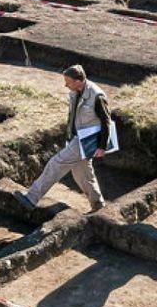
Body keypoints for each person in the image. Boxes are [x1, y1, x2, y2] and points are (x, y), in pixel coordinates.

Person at [14, 64, 108, 213]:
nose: (65, 85)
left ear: (78, 81)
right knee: (83, 174)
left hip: (86, 140)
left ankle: (31, 197)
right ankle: (98, 206)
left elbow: (106, 122)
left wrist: (102, 146)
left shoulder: (97, 95)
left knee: (55, 164)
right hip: (76, 139)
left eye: (68, 82)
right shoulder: (75, 92)